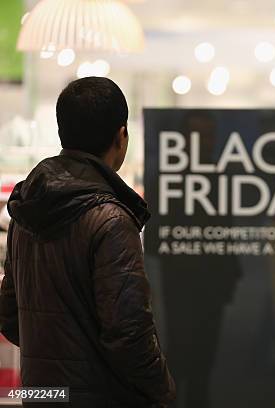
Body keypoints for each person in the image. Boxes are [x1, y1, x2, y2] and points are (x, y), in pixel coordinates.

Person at [0, 77, 175, 407]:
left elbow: (9, 316)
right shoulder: (110, 219)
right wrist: (163, 391)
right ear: (121, 136)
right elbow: (129, 334)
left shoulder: (26, 209)